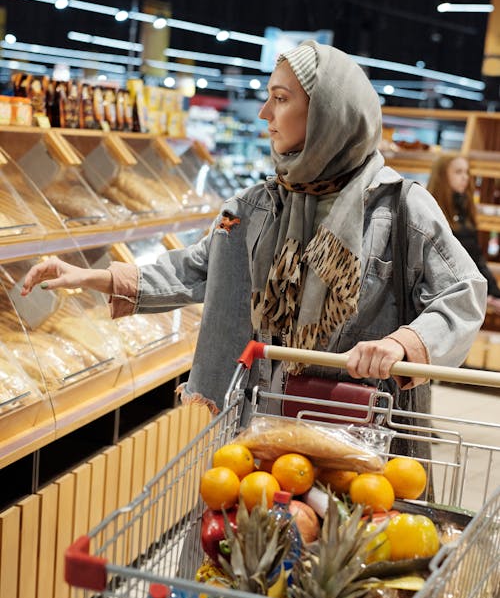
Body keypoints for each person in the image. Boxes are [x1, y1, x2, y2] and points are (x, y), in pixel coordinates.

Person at [22, 41, 487, 425]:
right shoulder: (257, 205)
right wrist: (93, 276)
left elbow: (464, 294)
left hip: (361, 436)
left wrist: (401, 343)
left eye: (281, 99)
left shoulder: (399, 207)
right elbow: (200, 268)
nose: (264, 112)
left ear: (328, 113)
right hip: (262, 425)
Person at [427, 153, 500, 313]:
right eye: (458, 172)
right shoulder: (430, 211)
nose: (465, 177)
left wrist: (493, 292)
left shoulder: (464, 209)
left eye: (467, 172)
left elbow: (475, 257)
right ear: (442, 176)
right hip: (439, 297)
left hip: (462, 293)